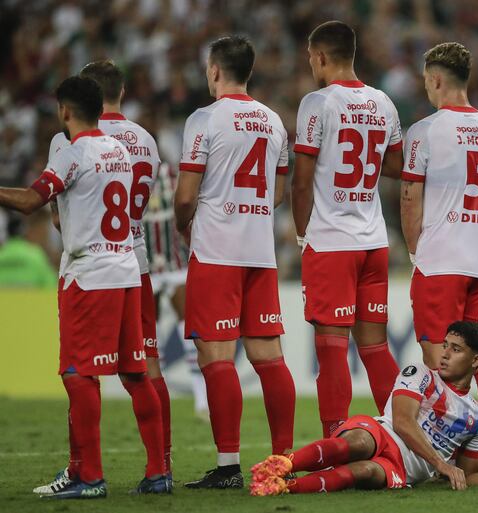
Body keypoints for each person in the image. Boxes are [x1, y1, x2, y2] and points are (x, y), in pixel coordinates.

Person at [0, 76, 168, 498]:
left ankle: (90, 477)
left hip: (90, 274)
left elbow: (29, 202)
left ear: (65, 110)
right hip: (128, 269)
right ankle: (158, 472)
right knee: (135, 372)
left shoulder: (73, 153)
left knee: (78, 374)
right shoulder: (121, 152)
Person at [175, 35, 296, 489]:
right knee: (268, 356)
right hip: (258, 252)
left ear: (213, 70)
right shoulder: (274, 121)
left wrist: (183, 224)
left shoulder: (204, 119)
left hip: (216, 250)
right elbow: (279, 193)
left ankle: (228, 466)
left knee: (216, 354)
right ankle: (285, 458)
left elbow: (186, 194)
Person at [250, 321, 478, 495]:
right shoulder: (419, 373)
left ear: (476, 360)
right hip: (383, 434)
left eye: (456, 349)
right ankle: (283, 464)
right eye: (445, 345)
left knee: (365, 473)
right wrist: (440, 465)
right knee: (358, 442)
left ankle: (286, 487)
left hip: (404, 469)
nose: (444, 353)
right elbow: (403, 422)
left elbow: (468, 474)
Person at [400, 42, 478, 477]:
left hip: (442, 259)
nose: (426, 87)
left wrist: (413, 251)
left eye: (427, 80)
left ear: (438, 79)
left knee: (440, 359)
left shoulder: (426, 130)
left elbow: (411, 198)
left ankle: (440, 458)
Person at [292, 21, 402, 437]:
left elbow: (301, 181)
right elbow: (394, 165)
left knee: (332, 347)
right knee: (374, 346)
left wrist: (303, 234)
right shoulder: (383, 102)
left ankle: (334, 439)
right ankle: (402, 434)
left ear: (320, 56)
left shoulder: (317, 103)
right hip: (373, 240)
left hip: (332, 241)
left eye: (310, 57)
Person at [144, 161, 209, 420]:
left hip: (175, 263)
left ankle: (202, 399)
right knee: (150, 335)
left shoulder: (169, 173)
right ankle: (154, 401)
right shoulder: (126, 170)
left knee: (189, 330)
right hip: (146, 263)